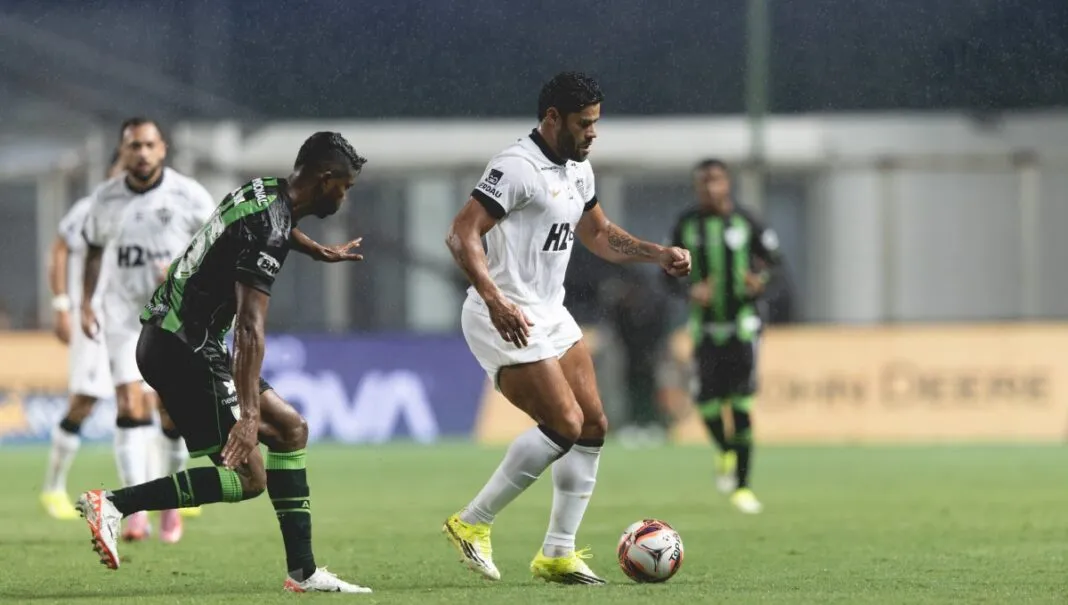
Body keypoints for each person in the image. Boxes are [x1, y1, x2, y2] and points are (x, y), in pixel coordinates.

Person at [75, 131, 371, 594]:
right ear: (325, 179)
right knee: (250, 476)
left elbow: (262, 227)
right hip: (181, 347)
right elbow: (250, 329)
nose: (345, 194)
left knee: (292, 430)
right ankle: (112, 503)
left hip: (180, 337)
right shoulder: (269, 228)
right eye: (345, 186)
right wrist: (248, 415)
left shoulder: (267, 192)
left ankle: (304, 572)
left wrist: (314, 249)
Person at [442, 71, 691, 584]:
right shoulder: (516, 167)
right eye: (584, 123)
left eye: (596, 122)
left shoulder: (579, 169)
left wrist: (656, 254)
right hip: (502, 314)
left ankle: (557, 552)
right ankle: (472, 522)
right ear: (552, 118)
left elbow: (599, 235)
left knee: (594, 425)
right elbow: (461, 233)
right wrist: (494, 300)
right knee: (564, 424)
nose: (593, 133)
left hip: (549, 312)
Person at [81, 118, 218, 543]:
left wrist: (184, 273)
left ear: (163, 150)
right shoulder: (105, 199)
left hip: (173, 317)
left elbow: (219, 243)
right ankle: (134, 511)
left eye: (148, 145)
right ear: (123, 152)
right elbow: (94, 250)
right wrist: (85, 302)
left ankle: (170, 508)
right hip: (123, 316)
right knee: (129, 403)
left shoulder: (189, 194)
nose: (141, 153)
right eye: (133, 146)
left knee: (170, 412)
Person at [667, 158, 782, 515]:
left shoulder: (747, 222)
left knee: (742, 405)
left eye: (715, 181)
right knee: (707, 404)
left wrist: (758, 283)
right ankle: (726, 450)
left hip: (743, 327)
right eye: (702, 182)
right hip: (704, 328)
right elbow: (665, 274)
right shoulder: (686, 225)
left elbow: (776, 265)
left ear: (727, 183)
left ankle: (743, 487)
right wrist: (689, 292)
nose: (709, 188)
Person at [40, 151, 124, 520]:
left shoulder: (150, 212)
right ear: (110, 171)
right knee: (86, 399)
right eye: (123, 163)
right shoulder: (89, 208)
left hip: (130, 321)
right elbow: (58, 251)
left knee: (148, 401)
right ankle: (53, 487)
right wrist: (61, 304)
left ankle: (158, 498)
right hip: (91, 316)